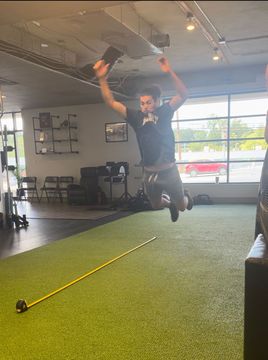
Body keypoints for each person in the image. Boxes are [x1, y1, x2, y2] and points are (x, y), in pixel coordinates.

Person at [93, 56, 193, 222]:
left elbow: (183, 94)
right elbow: (110, 102)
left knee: (182, 205)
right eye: (142, 103)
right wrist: (102, 79)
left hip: (169, 171)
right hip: (150, 173)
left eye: (148, 102)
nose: (145, 106)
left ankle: (186, 197)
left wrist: (169, 71)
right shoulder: (135, 117)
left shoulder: (165, 112)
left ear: (157, 101)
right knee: (155, 205)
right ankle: (170, 205)